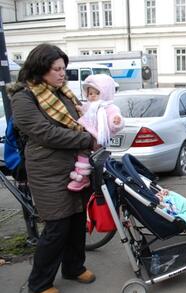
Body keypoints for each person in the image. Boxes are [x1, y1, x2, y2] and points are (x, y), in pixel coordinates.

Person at [8, 43, 97, 293]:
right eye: (56, 69)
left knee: (78, 221)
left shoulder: (62, 93)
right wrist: (87, 140)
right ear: (40, 68)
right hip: (47, 171)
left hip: (75, 167)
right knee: (57, 227)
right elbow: (44, 133)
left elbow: (80, 120)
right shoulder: (23, 97)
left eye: (63, 69)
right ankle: (39, 283)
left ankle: (74, 268)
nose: (62, 74)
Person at [67, 74, 124, 191]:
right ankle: (84, 176)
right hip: (88, 134)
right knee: (85, 154)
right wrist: (79, 108)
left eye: (97, 93)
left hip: (98, 138)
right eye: (90, 93)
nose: (93, 96)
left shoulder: (109, 108)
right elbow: (84, 109)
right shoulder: (90, 106)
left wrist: (116, 122)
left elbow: (116, 120)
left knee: (85, 154)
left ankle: (82, 178)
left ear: (105, 93)